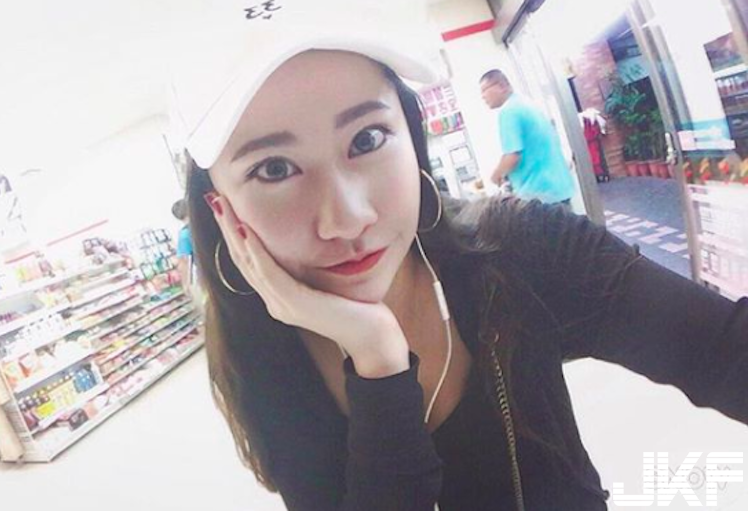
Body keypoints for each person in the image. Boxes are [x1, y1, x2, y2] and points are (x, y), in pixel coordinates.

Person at [172, 3, 748, 510]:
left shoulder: (520, 249)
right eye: (274, 169)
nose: (347, 218)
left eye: (367, 139)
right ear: (220, 209)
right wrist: (377, 359)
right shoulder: (260, 349)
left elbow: (723, 352)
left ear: (413, 139)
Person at [480, 69, 576, 207]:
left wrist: (495, 176)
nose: (483, 96)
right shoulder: (526, 103)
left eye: (485, 90)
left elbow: (512, 156)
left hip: (540, 193)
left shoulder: (508, 112)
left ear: (502, 86)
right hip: (559, 187)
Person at [172, 199, 194, 298]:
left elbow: (184, 261)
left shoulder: (184, 235)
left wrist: (186, 284)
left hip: (206, 273)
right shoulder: (204, 223)